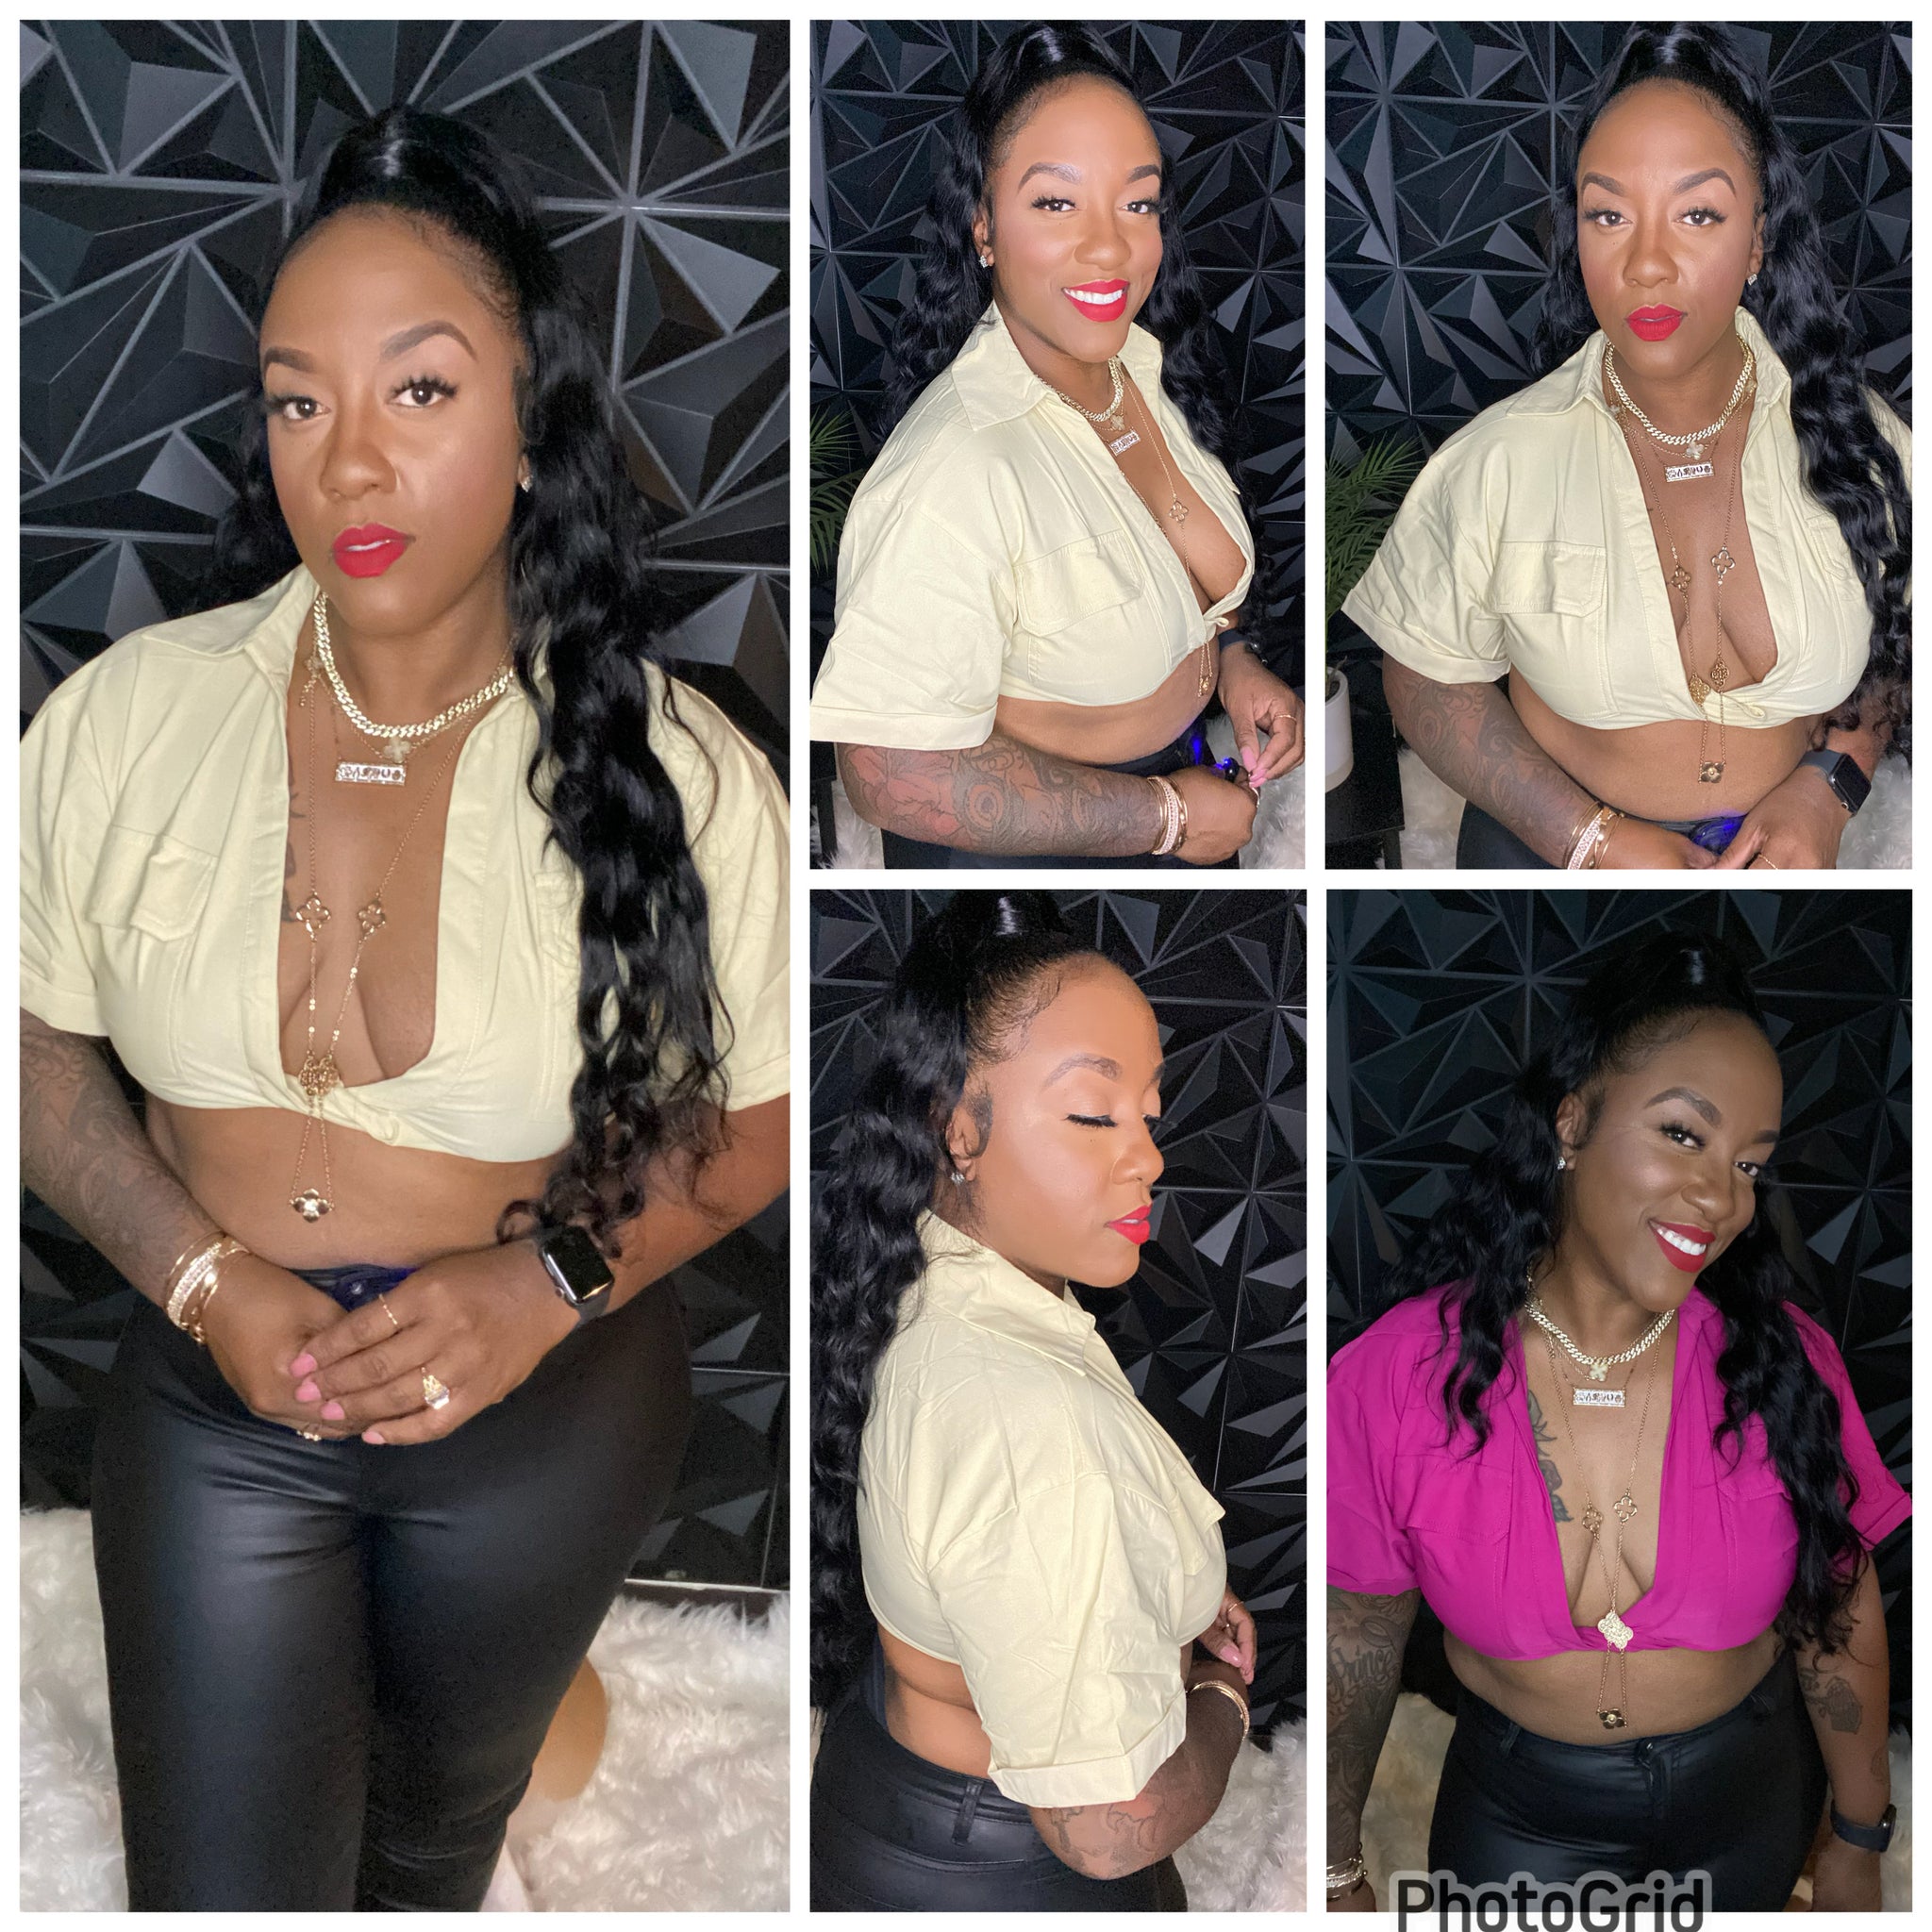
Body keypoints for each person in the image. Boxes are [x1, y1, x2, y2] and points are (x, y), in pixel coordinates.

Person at [18, 108, 791, 1911]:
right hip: (224, 1385)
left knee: (427, 1848)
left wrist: (546, 1285)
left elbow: (762, 1108)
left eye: (420, 391)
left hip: (544, 1399)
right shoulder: (128, 718)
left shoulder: (677, 769)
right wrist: (201, 1280)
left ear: (531, 424)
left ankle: (508, 1734)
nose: (349, 460)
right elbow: (27, 1040)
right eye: (299, 401)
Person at [1326, 931, 1908, 1912]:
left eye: (1749, 1164)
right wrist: (1334, 1866)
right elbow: (1358, 1638)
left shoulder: (1786, 1364)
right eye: (1681, 1134)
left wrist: (1858, 1833)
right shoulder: (1398, 1374)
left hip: (1747, 1798)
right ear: (1571, 1120)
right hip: (1519, 1814)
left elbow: (1838, 1611)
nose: (1720, 1197)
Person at [1342, 25, 1911, 870]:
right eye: (1609, 215)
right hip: (1547, 855)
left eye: (1697, 214)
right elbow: (1425, 675)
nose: (1647, 263)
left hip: (1796, 849)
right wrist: (1587, 840)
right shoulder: (1499, 461)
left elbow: (1896, 626)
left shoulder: (1859, 438)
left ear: (1758, 239)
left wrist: (1831, 785)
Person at [809, 892, 1254, 1907]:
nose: (1148, 1156)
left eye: (1148, 1114)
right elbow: (1106, 1828)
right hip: (1009, 1875)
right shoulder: (1034, 1426)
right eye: (1094, 1113)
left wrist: (1157, 1594)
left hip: (895, 1800)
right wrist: (1220, 1695)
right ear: (957, 1128)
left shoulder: (931, 1274)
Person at [810, 25, 1304, 868]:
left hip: (1180, 780)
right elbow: (890, 774)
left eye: (1138, 203)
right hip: (1031, 844)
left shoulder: (1136, 367)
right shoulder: (954, 467)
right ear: (983, 227)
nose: (1110, 245)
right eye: (1055, 202)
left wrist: (1230, 660)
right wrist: (1166, 818)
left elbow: (1170, 578)